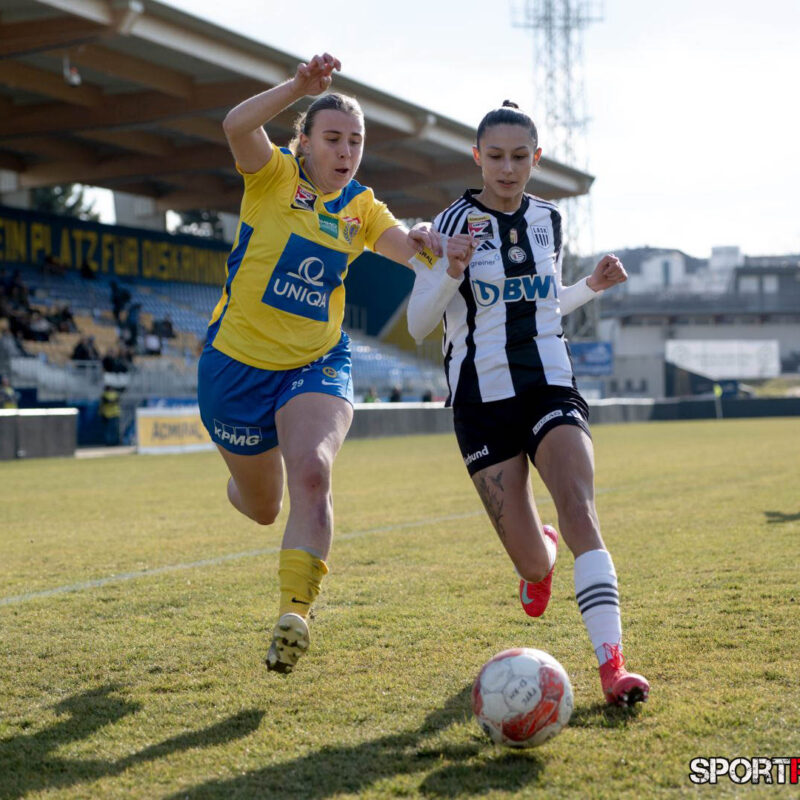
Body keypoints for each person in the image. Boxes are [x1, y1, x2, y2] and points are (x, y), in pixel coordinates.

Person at [198, 52, 438, 675]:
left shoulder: (362, 207)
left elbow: (405, 248)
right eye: (333, 138)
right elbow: (234, 125)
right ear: (303, 142)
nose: (347, 151)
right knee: (262, 506)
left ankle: (294, 617)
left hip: (316, 362)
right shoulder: (271, 175)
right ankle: (242, 480)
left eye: (356, 142)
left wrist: (430, 240)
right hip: (235, 367)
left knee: (312, 474)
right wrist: (299, 86)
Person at [406, 101, 649, 707]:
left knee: (580, 508)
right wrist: (448, 269)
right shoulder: (448, 224)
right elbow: (416, 325)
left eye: (520, 157)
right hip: (481, 402)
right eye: (495, 157)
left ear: (536, 159)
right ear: (476, 158)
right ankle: (536, 554)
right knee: (538, 565)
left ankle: (612, 669)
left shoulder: (550, 220)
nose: (507, 169)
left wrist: (589, 288)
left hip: (550, 384)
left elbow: (543, 304)